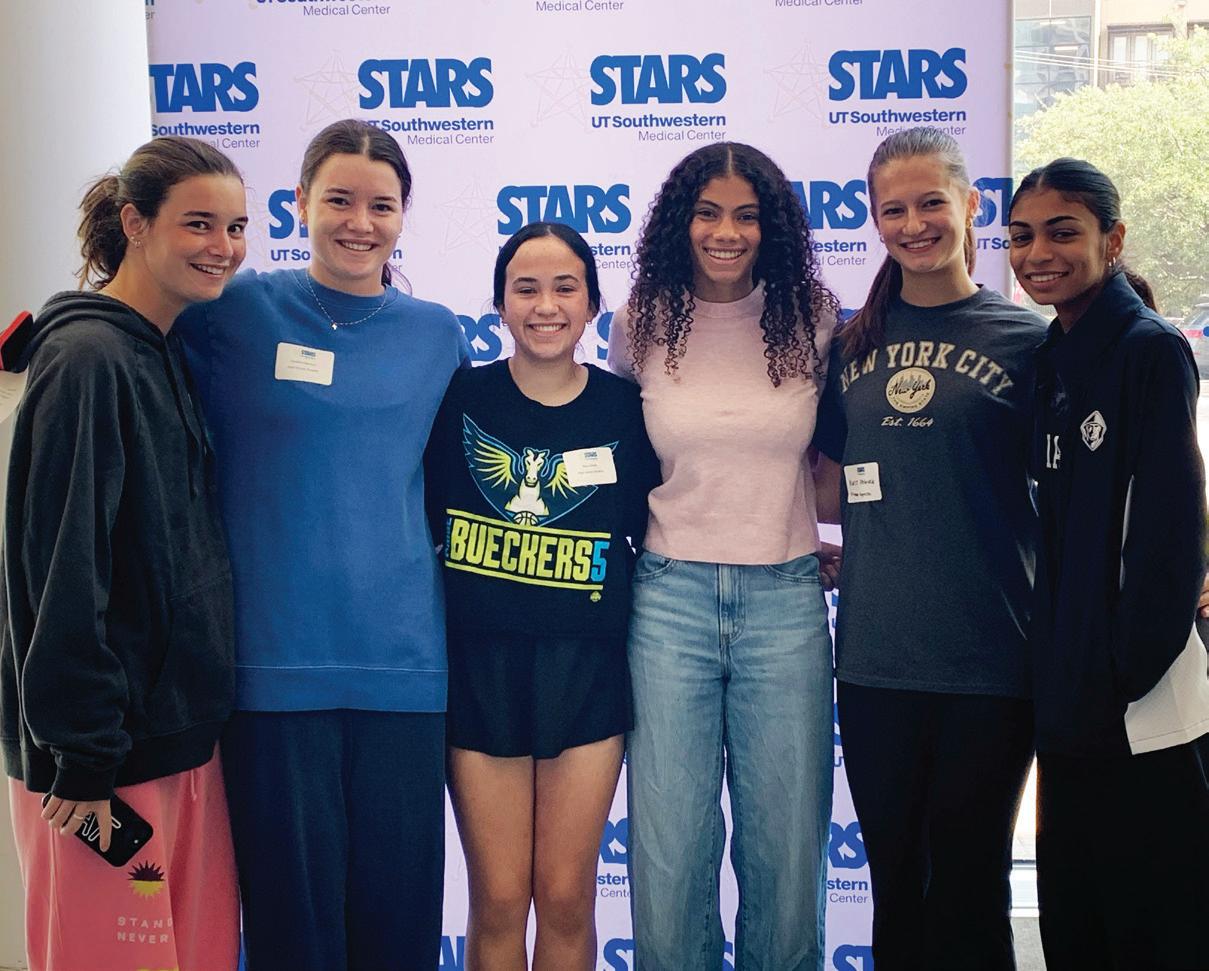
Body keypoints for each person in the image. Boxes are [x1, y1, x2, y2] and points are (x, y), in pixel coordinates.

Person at [175, 119, 468, 971]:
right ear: (299, 202)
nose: (359, 222)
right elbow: (129, 333)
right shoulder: (232, 310)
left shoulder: (437, 333)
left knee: (398, 928)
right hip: (271, 668)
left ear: (403, 215)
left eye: (381, 205)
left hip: (404, 669)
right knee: (291, 931)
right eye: (338, 200)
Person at [0, 136, 247, 971]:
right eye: (199, 223)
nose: (223, 247)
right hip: (101, 768)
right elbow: (62, 566)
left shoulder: (159, 347)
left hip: (177, 741)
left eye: (236, 227)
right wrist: (82, 758)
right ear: (135, 223)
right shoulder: (85, 360)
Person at [812, 126, 1046, 970]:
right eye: (893, 210)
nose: (912, 224)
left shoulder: (1028, 341)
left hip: (990, 664)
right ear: (873, 218)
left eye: (930, 203)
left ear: (971, 203)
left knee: (969, 888)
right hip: (875, 665)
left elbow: (1082, 490)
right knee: (896, 884)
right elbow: (827, 490)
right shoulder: (849, 344)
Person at [606, 141, 839, 971]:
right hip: (668, 598)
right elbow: (625, 461)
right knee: (670, 848)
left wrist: (832, 537)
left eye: (745, 215)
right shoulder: (640, 321)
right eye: (707, 212)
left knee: (787, 845)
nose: (725, 232)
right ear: (681, 221)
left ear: (772, 226)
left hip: (785, 597)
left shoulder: (813, 316)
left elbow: (829, 459)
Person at [425, 221, 659, 971]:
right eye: (525, 288)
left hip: (587, 674)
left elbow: (673, 517)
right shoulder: (459, 398)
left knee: (564, 896)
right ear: (499, 303)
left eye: (565, 287)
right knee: (498, 898)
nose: (546, 305)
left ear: (592, 303)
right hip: (480, 671)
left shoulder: (627, 408)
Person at [1008, 157, 1209, 970]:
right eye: (1021, 235)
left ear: (1112, 239)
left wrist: (1116, 677)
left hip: (1139, 714)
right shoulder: (1050, 356)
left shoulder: (1149, 351)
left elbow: (1169, 541)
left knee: (1151, 932)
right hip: (1067, 705)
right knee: (1076, 928)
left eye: (1062, 232)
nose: (1037, 253)